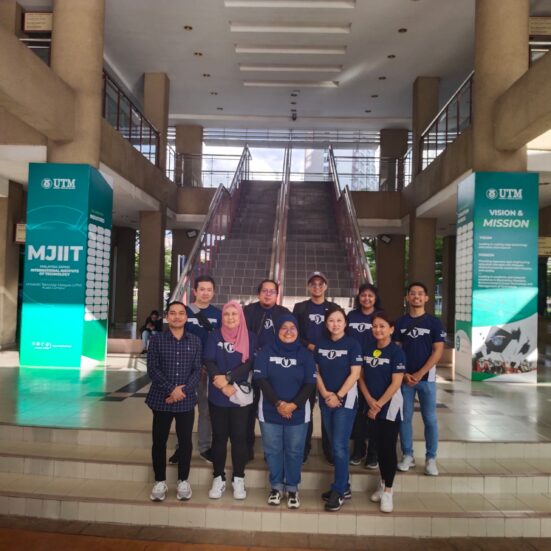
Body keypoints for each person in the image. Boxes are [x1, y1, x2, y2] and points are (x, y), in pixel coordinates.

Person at [253, 314, 316, 509]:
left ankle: (292, 488)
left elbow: (309, 383)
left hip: (298, 412)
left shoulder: (305, 354)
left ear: (298, 331)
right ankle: (276, 487)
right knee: (273, 451)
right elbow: (261, 379)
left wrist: (293, 405)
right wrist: (279, 404)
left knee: (294, 451)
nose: (288, 332)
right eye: (284, 328)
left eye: (293, 328)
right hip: (269, 410)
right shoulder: (266, 351)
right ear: (277, 330)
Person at [146, 301, 202, 502]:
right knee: (159, 441)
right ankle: (159, 481)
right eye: (173, 313)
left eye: (181, 313)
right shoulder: (157, 340)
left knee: (185, 442)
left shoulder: (195, 341)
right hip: (162, 399)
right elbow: (152, 369)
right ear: (167, 316)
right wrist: (171, 389)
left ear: (186, 317)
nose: (177, 316)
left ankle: (183, 481)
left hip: (185, 400)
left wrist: (182, 391)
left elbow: (197, 370)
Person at [204, 300, 256, 500]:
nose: (231, 317)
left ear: (240, 316)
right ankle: (218, 477)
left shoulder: (250, 337)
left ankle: (239, 478)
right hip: (218, 396)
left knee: (239, 438)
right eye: (227, 314)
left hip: (239, 396)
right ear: (222, 316)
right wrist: (221, 384)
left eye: (235, 314)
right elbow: (209, 360)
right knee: (219, 437)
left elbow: (250, 363)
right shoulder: (214, 336)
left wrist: (228, 380)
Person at [395, 282, 446, 476]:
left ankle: (431, 458)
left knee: (430, 419)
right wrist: (406, 373)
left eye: (420, 294)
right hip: (405, 379)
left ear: (426, 298)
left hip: (427, 379)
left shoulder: (434, 323)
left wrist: (420, 373)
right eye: (412, 294)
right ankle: (408, 455)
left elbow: (438, 351)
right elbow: (397, 350)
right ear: (408, 298)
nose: (416, 297)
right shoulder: (400, 323)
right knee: (404, 418)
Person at [169, 276, 221, 465]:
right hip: (185, 369)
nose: (205, 292)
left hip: (207, 370)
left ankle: (205, 447)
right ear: (195, 291)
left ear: (213, 292)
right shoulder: (185, 312)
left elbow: (220, 343)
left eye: (209, 289)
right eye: (202, 289)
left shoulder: (218, 314)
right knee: (183, 409)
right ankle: (180, 448)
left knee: (206, 410)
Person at [315, 305, 362, 512]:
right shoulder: (321, 344)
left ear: (345, 323)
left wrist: (338, 396)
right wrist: (326, 394)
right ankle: (344, 485)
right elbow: (316, 372)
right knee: (335, 446)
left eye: (339, 320)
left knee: (340, 446)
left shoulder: (353, 344)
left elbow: (355, 374)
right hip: (326, 400)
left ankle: (339, 490)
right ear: (326, 323)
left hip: (345, 401)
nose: (335, 324)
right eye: (331, 321)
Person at [359, 311, 406, 513]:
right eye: (375, 326)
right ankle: (382, 481)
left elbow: (396, 383)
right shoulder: (368, 348)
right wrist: (370, 401)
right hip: (371, 405)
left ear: (391, 329)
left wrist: (378, 404)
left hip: (389, 407)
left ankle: (388, 490)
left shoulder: (397, 352)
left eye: (382, 326)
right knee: (377, 446)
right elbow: (360, 377)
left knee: (388, 448)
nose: (378, 330)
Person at [292, 271, 338, 463]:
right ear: (309, 287)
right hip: (306, 362)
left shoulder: (334, 308)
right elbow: (294, 333)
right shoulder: (300, 307)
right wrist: (310, 345)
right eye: (313, 284)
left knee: (329, 407)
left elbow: (339, 332)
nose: (317, 287)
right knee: (305, 406)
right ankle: (304, 448)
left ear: (326, 286)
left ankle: (330, 449)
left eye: (320, 284)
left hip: (329, 363)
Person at [244, 279, 291, 460]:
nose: (268, 294)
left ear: (277, 295)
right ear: (258, 293)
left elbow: (290, 338)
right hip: (251, 368)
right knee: (249, 410)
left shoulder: (284, 313)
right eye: (265, 290)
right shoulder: (248, 311)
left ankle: (271, 450)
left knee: (273, 409)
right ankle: (247, 449)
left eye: (272, 291)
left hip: (276, 370)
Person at [347, 283, 382, 468]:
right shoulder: (351, 316)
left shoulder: (380, 316)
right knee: (358, 412)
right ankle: (359, 449)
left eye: (370, 295)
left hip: (374, 368)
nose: (366, 298)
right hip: (353, 369)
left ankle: (374, 453)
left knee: (373, 410)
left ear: (375, 298)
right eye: (363, 295)